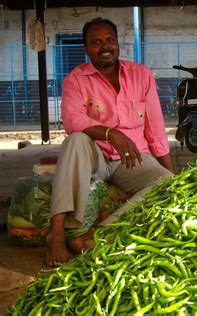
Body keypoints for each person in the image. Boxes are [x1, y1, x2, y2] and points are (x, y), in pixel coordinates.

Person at [46, 17, 174, 266]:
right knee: (75, 140)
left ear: (117, 44)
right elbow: (73, 120)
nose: (104, 46)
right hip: (94, 157)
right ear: (86, 49)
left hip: (132, 159)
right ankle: (57, 233)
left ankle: (97, 235)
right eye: (96, 42)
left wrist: (170, 171)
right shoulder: (76, 79)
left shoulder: (141, 75)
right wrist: (111, 133)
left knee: (166, 185)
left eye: (109, 40)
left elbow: (155, 127)